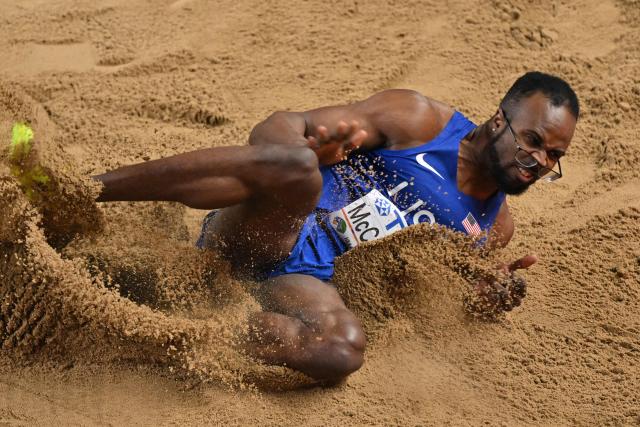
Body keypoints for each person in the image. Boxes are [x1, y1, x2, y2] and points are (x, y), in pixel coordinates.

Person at [93, 71, 579, 381]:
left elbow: (428, 290)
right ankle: (85, 188)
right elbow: (277, 128)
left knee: (341, 350)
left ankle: (186, 325)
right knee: (297, 170)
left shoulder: (494, 229)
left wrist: (484, 299)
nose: (537, 161)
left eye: (554, 155)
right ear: (499, 121)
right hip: (272, 223)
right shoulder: (419, 121)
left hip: (307, 282)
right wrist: (308, 150)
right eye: (532, 140)